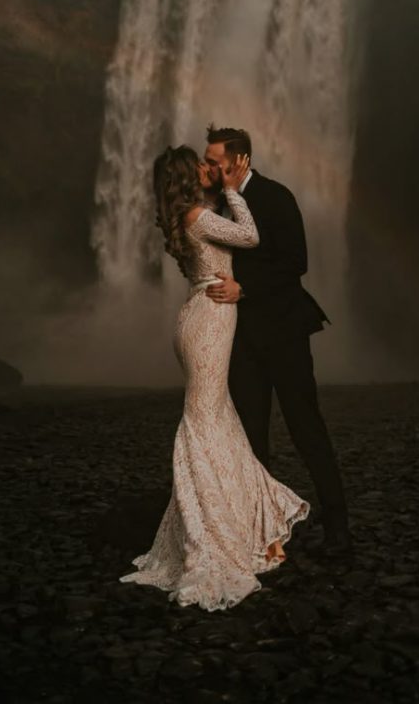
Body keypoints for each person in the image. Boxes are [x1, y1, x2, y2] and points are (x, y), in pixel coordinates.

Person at [119, 145, 310, 611]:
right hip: (211, 320)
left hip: (198, 317)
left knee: (218, 419)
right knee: (204, 423)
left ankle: (250, 528)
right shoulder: (199, 216)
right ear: (191, 176)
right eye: (202, 166)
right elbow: (249, 236)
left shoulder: (186, 217)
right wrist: (232, 190)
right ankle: (211, 537)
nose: (210, 169)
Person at [202, 125, 352, 559]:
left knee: (306, 427)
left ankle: (339, 526)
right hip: (242, 338)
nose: (209, 167)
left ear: (239, 160)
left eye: (214, 161)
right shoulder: (216, 206)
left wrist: (243, 288)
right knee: (250, 435)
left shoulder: (276, 197)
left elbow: (295, 263)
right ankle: (261, 534)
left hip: (284, 332)